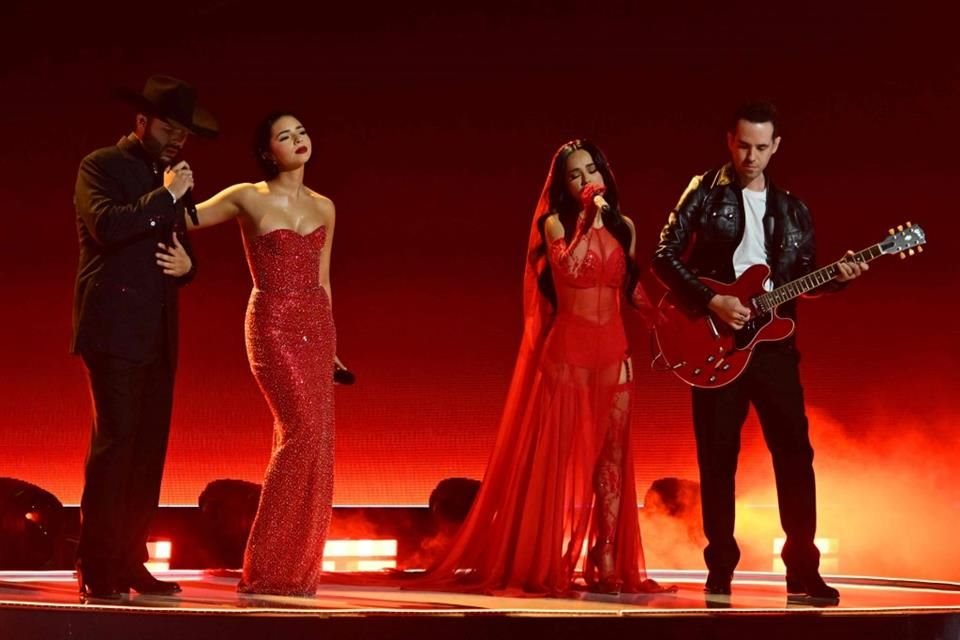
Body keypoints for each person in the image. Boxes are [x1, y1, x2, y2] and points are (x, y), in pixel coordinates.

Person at [404, 140, 666, 596]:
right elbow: (568, 270)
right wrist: (585, 223)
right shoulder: (555, 225)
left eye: (592, 171)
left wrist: (663, 319)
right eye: (576, 175)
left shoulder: (624, 226)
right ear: (564, 185)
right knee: (555, 463)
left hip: (615, 353)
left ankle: (605, 558)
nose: (586, 181)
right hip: (567, 354)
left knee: (612, 463)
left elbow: (628, 286)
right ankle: (541, 560)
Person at [651, 101, 867, 602]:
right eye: (743, 145)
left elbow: (801, 281)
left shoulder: (793, 209)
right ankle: (720, 567)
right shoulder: (703, 193)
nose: (751, 155)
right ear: (730, 140)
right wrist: (713, 300)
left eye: (761, 147)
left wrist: (838, 278)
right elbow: (664, 256)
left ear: (776, 147)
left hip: (773, 347)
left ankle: (802, 571)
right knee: (718, 458)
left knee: (795, 457)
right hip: (716, 340)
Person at [72, 74, 218, 601]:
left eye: (184, 130)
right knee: (115, 446)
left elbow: (177, 245)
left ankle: (131, 561)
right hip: (112, 326)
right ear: (141, 121)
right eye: (168, 126)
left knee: (148, 449)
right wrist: (167, 193)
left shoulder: (170, 176)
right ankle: (96, 565)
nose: (178, 138)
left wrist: (188, 267)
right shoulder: (101, 165)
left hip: (158, 329)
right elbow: (107, 227)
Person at [187, 112, 341, 595]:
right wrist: (171, 190)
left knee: (317, 443)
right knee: (300, 433)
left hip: (317, 327)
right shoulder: (246, 196)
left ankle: (296, 571)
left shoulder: (326, 206)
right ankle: (268, 566)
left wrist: (333, 343)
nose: (298, 139)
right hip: (272, 324)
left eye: (302, 131)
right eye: (284, 135)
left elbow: (323, 280)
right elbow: (183, 219)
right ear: (265, 150)